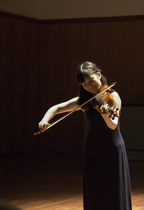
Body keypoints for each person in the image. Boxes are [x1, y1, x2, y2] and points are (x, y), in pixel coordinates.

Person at [38, 61, 132, 210]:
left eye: (90, 80)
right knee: (95, 189)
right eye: (84, 84)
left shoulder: (113, 96)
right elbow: (55, 108)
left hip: (112, 148)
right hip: (93, 149)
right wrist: (44, 120)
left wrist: (106, 115)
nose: (88, 85)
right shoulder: (84, 102)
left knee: (113, 189)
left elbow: (113, 125)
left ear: (99, 75)